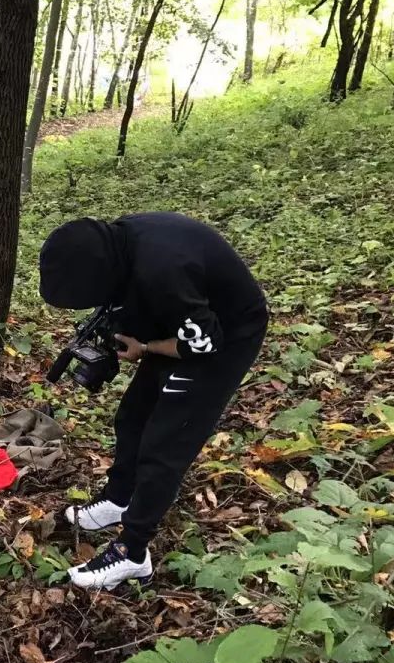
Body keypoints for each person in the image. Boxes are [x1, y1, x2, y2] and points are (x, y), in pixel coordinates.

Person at [39, 213, 268, 590]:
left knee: (164, 444)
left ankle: (132, 552)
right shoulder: (121, 242)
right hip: (180, 321)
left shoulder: (164, 273)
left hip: (226, 335)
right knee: (132, 417)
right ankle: (119, 499)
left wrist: (145, 348)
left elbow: (204, 343)